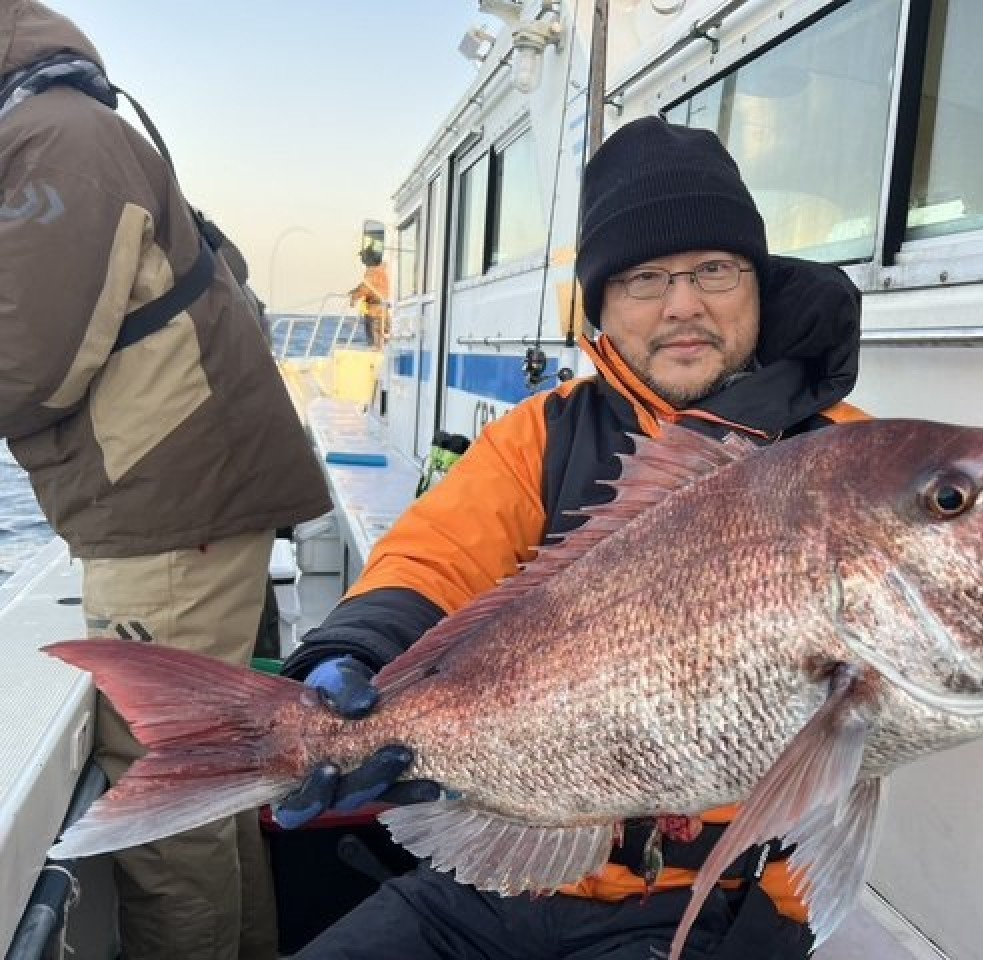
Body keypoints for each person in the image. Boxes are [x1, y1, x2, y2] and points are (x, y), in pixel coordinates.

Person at [277, 115, 866, 958]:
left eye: (716, 269)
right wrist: (354, 654)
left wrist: (774, 918)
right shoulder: (541, 435)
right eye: (644, 278)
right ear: (601, 305)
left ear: (758, 285)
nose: (684, 303)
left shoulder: (843, 457)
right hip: (490, 875)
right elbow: (438, 554)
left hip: (699, 904)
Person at [0, 3, 332, 958]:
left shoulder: (51, 138)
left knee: (167, 800)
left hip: (165, 518)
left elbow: (28, 362)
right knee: (216, 783)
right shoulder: (77, 123)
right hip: (192, 506)